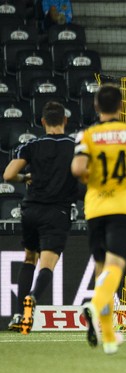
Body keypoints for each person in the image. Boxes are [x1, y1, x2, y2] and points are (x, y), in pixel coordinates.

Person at [71, 84, 126, 354]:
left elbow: (77, 168)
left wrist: (93, 178)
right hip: (122, 207)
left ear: (96, 106)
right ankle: (94, 305)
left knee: (101, 270)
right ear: (121, 107)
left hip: (95, 208)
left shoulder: (88, 134)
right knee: (116, 264)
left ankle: (108, 336)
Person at [3, 101, 78, 335]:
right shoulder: (75, 146)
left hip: (31, 210)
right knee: (47, 264)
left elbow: (8, 175)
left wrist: (25, 178)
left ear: (43, 122)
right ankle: (33, 298)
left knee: (29, 259)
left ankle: (17, 314)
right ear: (65, 121)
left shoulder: (32, 145)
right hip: (57, 211)